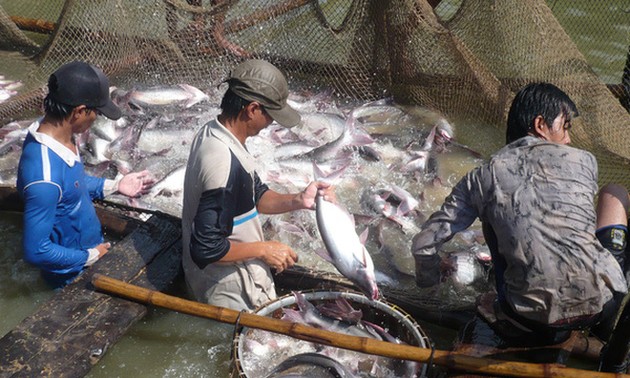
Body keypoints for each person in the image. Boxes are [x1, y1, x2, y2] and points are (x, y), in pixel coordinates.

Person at [411, 82, 629, 346]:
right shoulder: (584, 160)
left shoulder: (482, 176)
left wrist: (428, 283)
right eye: (566, 127)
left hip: (528, 318)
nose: (568, 139)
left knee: (492, 216)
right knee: (615, 192)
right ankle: (603, 336)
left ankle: (509, 309)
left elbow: (424, 244)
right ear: (540, 125)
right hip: (603, 303)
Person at [181, 59, 335, 312]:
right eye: (270, 116)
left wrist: (299, 200)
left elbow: (256, 194)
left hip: (224, 278)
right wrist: (264, 250)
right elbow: (205, 248)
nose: (271, 124)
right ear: (252, 109)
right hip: (231, 291)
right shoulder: (222, 161)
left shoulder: (216, 131)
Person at [16, 61, 155, 288]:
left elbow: (72, 185)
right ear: (79, 112)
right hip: (70, 277)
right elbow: (36, 251)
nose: (96, 119)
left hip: (92, 251)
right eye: (96, 113)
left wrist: (114, 186)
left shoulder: (58, 133)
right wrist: (89, 256)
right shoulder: (44, 177)